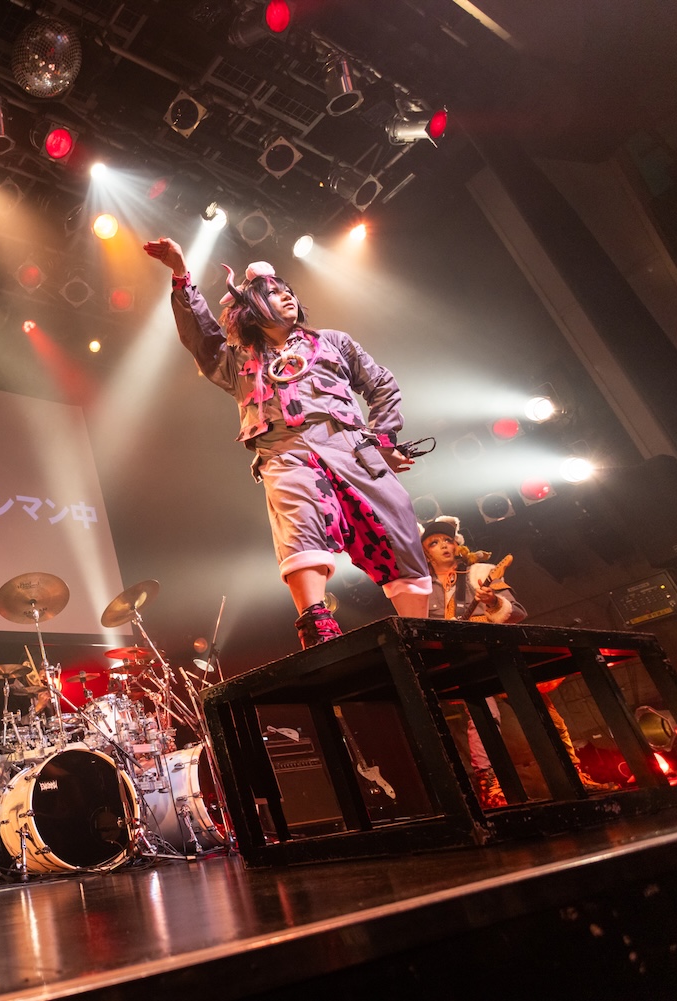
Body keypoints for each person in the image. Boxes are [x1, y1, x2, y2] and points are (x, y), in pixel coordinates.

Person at [144, 241, 432, 647]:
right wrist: (180, 275)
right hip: (284, 451)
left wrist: (383, 440)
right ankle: (317, 625)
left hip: (352, 450)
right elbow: (201, 337)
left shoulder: (333, 342)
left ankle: (421, 635)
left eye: (289, 292)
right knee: (298, 520)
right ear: (252, 307)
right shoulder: (235, 361)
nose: (288, 297)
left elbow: (382, 385)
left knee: (397, 526)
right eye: (275, 293)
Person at [421, 518, 607, 806]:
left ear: (457, 544)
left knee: (544, 713)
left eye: (448, 540)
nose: (444, 545)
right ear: (425, 553)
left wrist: (492, 602)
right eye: (434, 543)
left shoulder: (480, 573)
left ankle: (573, 775)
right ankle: (489, 787)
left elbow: (518, 612)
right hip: (465, 663)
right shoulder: (420, 589)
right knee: (485, 717)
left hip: (499, 654)